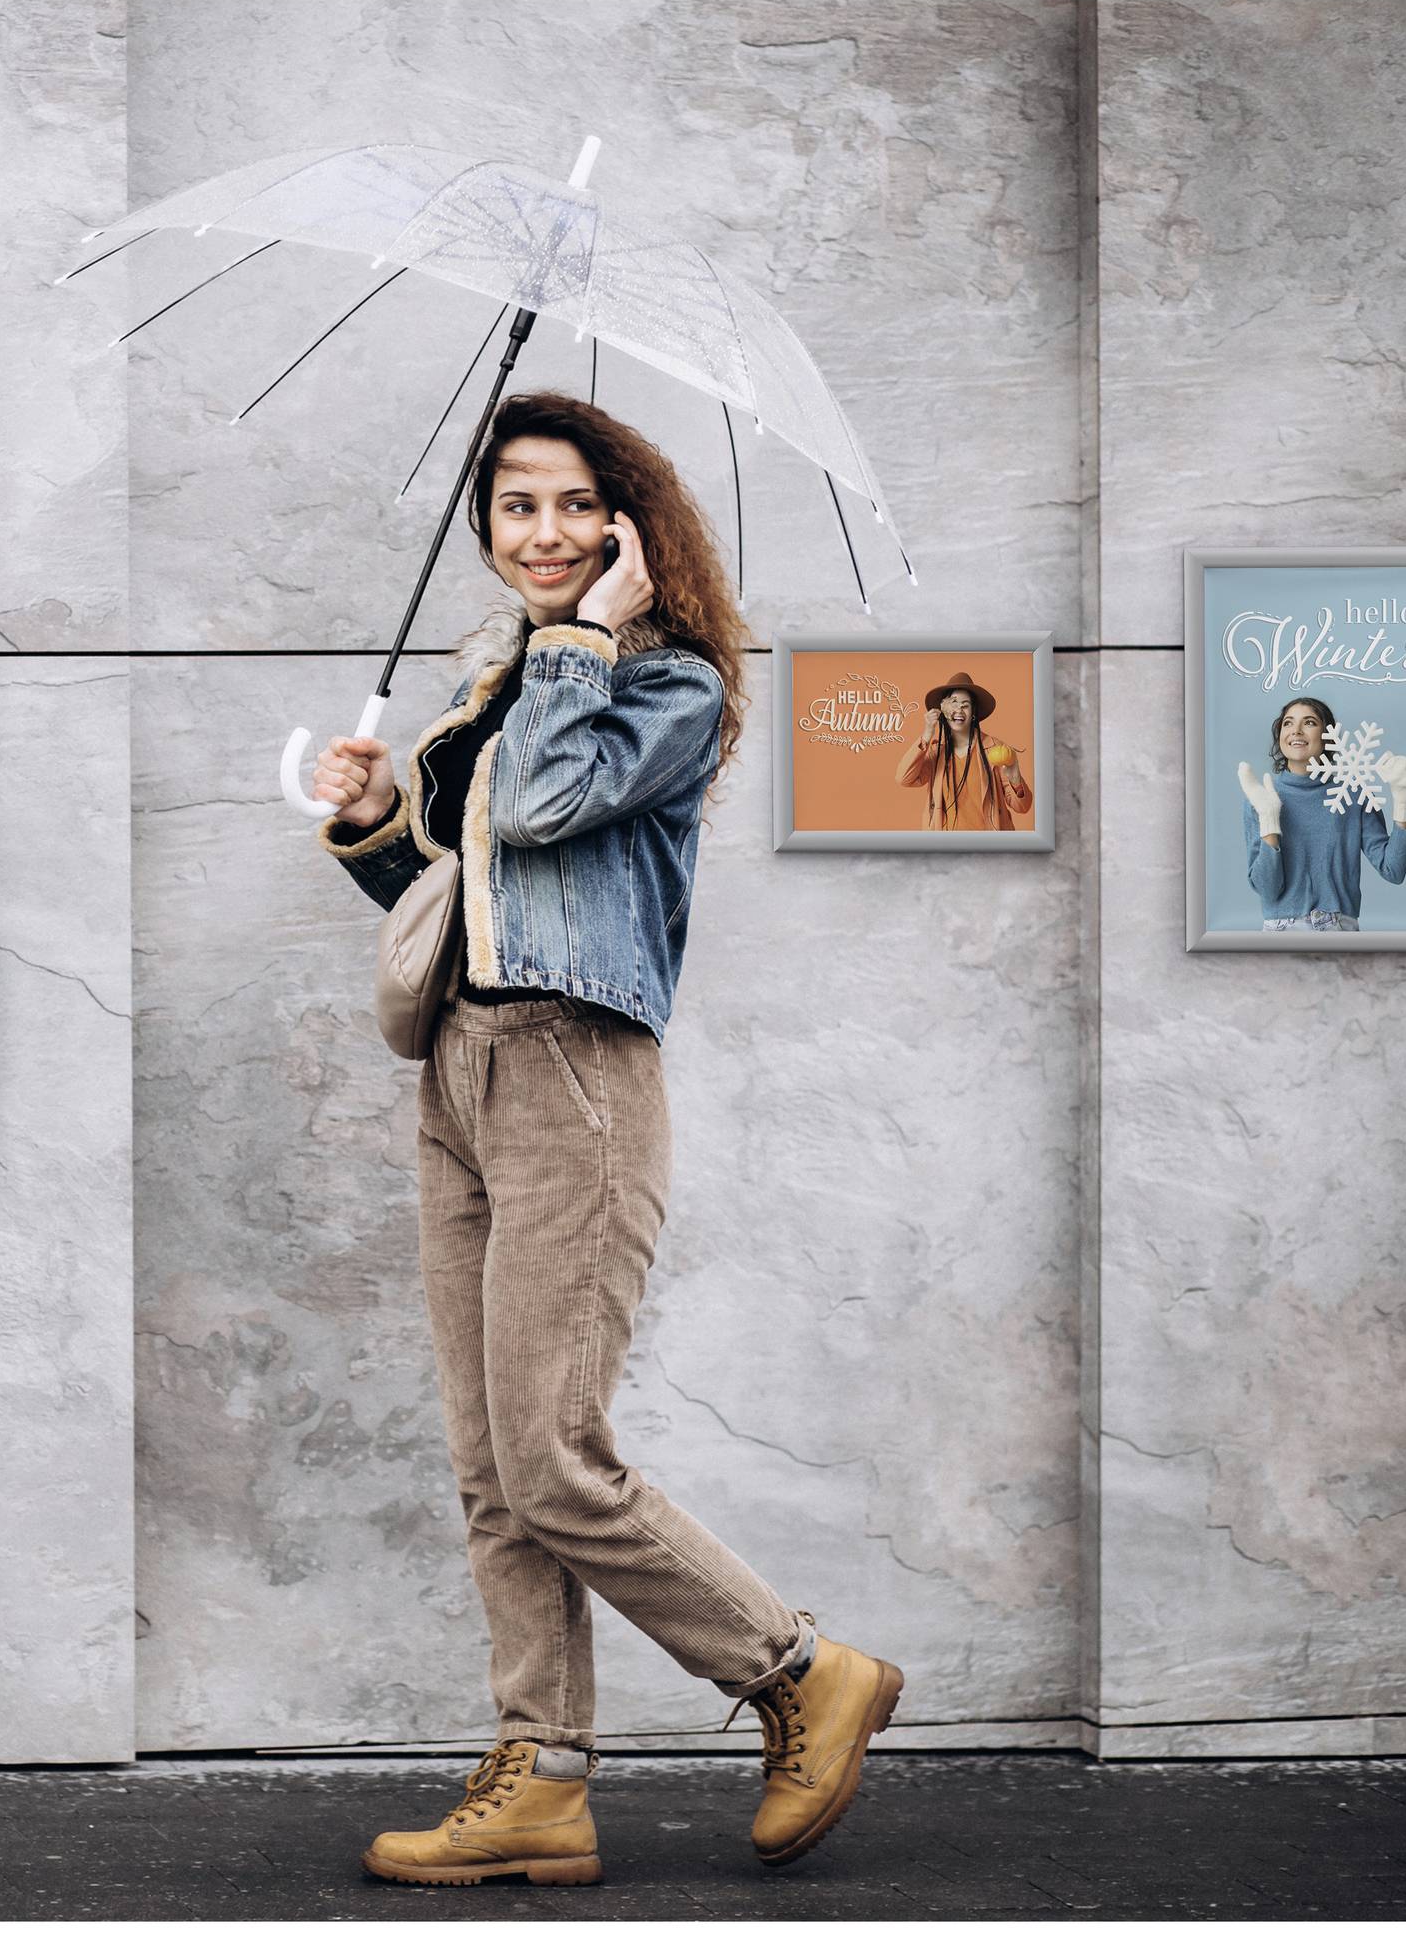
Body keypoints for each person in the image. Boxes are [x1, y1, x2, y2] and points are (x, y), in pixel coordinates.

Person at [307, 390, 904, 1883]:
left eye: (576, 505)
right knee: (490, 1468)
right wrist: (383, 824)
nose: (546, 532)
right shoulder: (502, 676)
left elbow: (561, 807)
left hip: (576, 1078)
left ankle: (798, 1670)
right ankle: (543, 1782)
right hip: (460, 1071)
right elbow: (471, 908)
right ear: (487, 524)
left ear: (631, 523)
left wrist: (571, 651)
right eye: (517, 506)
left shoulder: (667, 685)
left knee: (558, 1456)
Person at [1235, 694, 1406, 930]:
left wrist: (1402, 803)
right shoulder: (1260, 797)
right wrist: (1269, 819)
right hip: (1280, 933)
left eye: (1309, 722)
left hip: (1338, 929)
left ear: (1327, 736)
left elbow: (1393, 871)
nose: (1296, 730)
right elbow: (1267, 889)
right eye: (1288, 723)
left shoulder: (1353, 794)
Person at [896, 670, 1032, 830]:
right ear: (943, 710)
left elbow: (1022, 807)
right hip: (946, 847)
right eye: (954, 703)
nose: (959, 710)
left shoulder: (995, 749)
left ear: (973, 712)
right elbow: (904, 779)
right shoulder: (935, 752)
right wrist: (926, 735)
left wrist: (1015, 778)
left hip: (988, 846)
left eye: (965, 705)